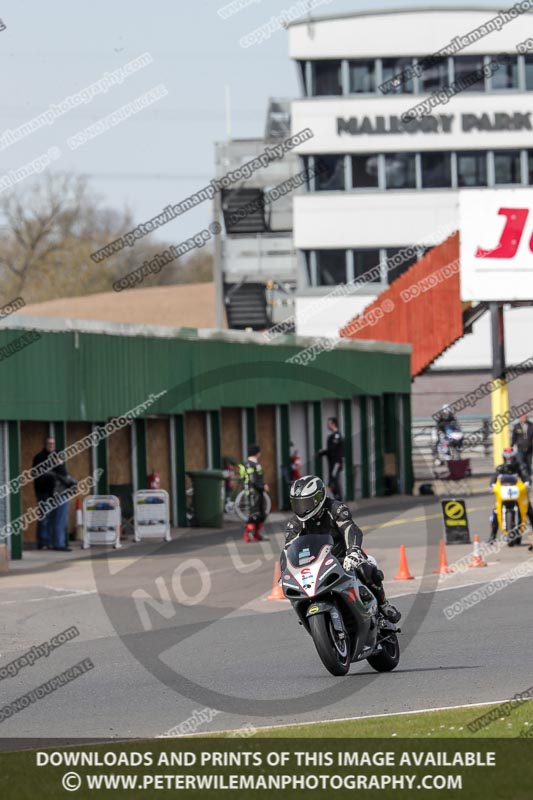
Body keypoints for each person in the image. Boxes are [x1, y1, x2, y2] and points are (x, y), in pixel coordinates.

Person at [284, 475, 401, 623]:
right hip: (316, 563)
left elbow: (350, 528)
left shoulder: (335, 508)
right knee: (298, 590)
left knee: (366, 569)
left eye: (306, 503)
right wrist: (286, 570)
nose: (302, 508)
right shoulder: (295, 523)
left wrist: (353, 551)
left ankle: (384, 605)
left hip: (343, 556)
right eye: (297, 503)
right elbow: (288, 549)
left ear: (318, 498)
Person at [488, 446, 533, 543]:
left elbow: (526, 476)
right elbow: (494, 478)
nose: (509, 460)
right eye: (507, 458)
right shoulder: (500, 468)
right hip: (504, 494)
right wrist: (492, 485)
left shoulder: (520, 467)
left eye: (511, 458)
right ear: (504, 458)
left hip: (519, 494)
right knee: (495, 512)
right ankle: (492, 536)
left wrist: (527, 483)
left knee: (529, 510)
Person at [241, 444, 269, 543]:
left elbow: (259, 478)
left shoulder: (256, 464)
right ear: (257, 453)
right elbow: (253, 480)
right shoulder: (249, 464)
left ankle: (257, 534)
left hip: (258, 491)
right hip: (253, 492)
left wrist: (263, 484)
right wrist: (262, 486)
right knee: (254, 514)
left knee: (261, 514)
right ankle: (248, 535)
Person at [32, 436, 56, 550]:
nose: (51, 446)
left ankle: (49, 541)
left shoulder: (56, 457)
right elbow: (36, 475)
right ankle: (42, 542)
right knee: (44, 517)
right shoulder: (39, 457)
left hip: (54, 492)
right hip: (43, 492)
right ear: (45, 445)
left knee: (51, 518)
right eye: (49, 444)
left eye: (53, 444)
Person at [318, 417, 344, 500]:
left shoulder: (337, 436)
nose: (327, 425)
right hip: (331, 462)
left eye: (329, 423)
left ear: (333, 424)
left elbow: (332, 448)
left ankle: (339, 499)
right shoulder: (331, 436)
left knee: (333, 480)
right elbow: (330, 449)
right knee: (331, 483)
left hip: (336, 462)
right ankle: (337, 498)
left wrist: (322, 452)